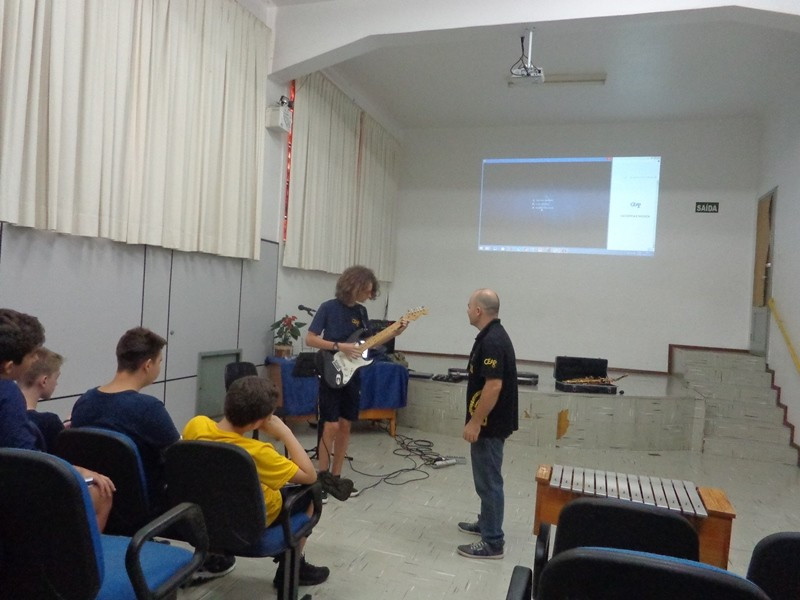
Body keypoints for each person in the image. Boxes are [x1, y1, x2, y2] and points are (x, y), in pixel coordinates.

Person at [182, 376, 329, 589]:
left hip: (203, 519)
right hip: (249, 525)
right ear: (260, 422)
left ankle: (216, 554)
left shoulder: (196, 425)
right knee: (311, 492)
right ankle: (292, 568)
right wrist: (286, 433)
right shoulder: (258, 452)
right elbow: (309, 475)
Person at [0, 309, 115, 532]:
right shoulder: (7, 394)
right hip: (11, 501)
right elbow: (26, 461)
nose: (36, 359)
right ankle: (79, 557)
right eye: (32, 354)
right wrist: (77, 471)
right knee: (100, 493)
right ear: (8, 366)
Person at [305, 265, 408, 500]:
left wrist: (394, 333)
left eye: (372, 291)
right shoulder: (328, 308)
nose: (370, 295)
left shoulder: (361, 312)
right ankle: (322, 477)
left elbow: (368, 343)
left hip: (353, 375)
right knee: (329, 425)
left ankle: (337, 477)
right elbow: (310, 338)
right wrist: (339, 346)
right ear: (353, 286)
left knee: (345, 425)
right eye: (367, 290)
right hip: (331, 370)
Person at [71, 327, 179, 510]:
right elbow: (179, 460)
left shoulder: (84, 402)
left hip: (95, 505)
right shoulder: (149, 408)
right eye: (159, 362)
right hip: (144, 511)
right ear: (148, 365)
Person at [456, 289, 518, 559]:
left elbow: (493, 386)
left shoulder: (492, 341)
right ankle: (486, 523)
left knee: (489, 481)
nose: (467, 310)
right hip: (490, 422)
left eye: (469, 305)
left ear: (479, 310)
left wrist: (475, 422)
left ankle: (493, 542)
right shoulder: (491, 336)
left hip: (489, 424)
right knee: (486, 477)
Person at [19, 347, 67, 452]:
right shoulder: (49, 423)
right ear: (44, 381)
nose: (56, 383)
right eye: (56, 378)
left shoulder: (7, 418)